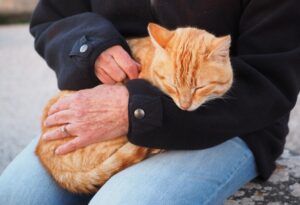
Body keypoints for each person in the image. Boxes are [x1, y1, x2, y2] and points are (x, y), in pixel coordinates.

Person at [1, 0, 300, 204]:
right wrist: (90, 47)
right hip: (109, 95)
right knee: (17, 194)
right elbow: (53, 15)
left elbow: (271, 77)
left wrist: (136, 111)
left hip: (227, 117)